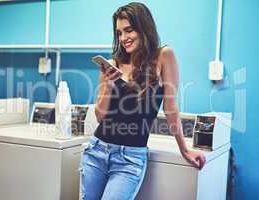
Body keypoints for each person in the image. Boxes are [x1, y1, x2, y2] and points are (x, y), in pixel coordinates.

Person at [79, 2, 206, 200]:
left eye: (128, 30)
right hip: (96, 150)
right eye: (119, 33)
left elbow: (171, 108)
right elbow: (100, 115)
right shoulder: (113, 64)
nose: (123, 38)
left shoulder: (164, 56)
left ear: (144, 28)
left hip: (130, 158)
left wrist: (184, 150)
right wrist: (109, 86)